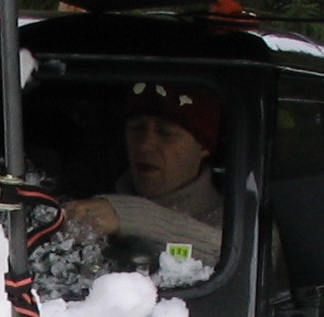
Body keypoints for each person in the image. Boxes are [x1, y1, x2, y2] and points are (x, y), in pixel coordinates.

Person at [65, 84, 224, 268]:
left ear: (202, 146)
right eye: (137, 128)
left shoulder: (234, 219)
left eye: (165, 133)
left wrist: (128, 215)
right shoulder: (86, 200)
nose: (144, 145)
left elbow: (226, 252)